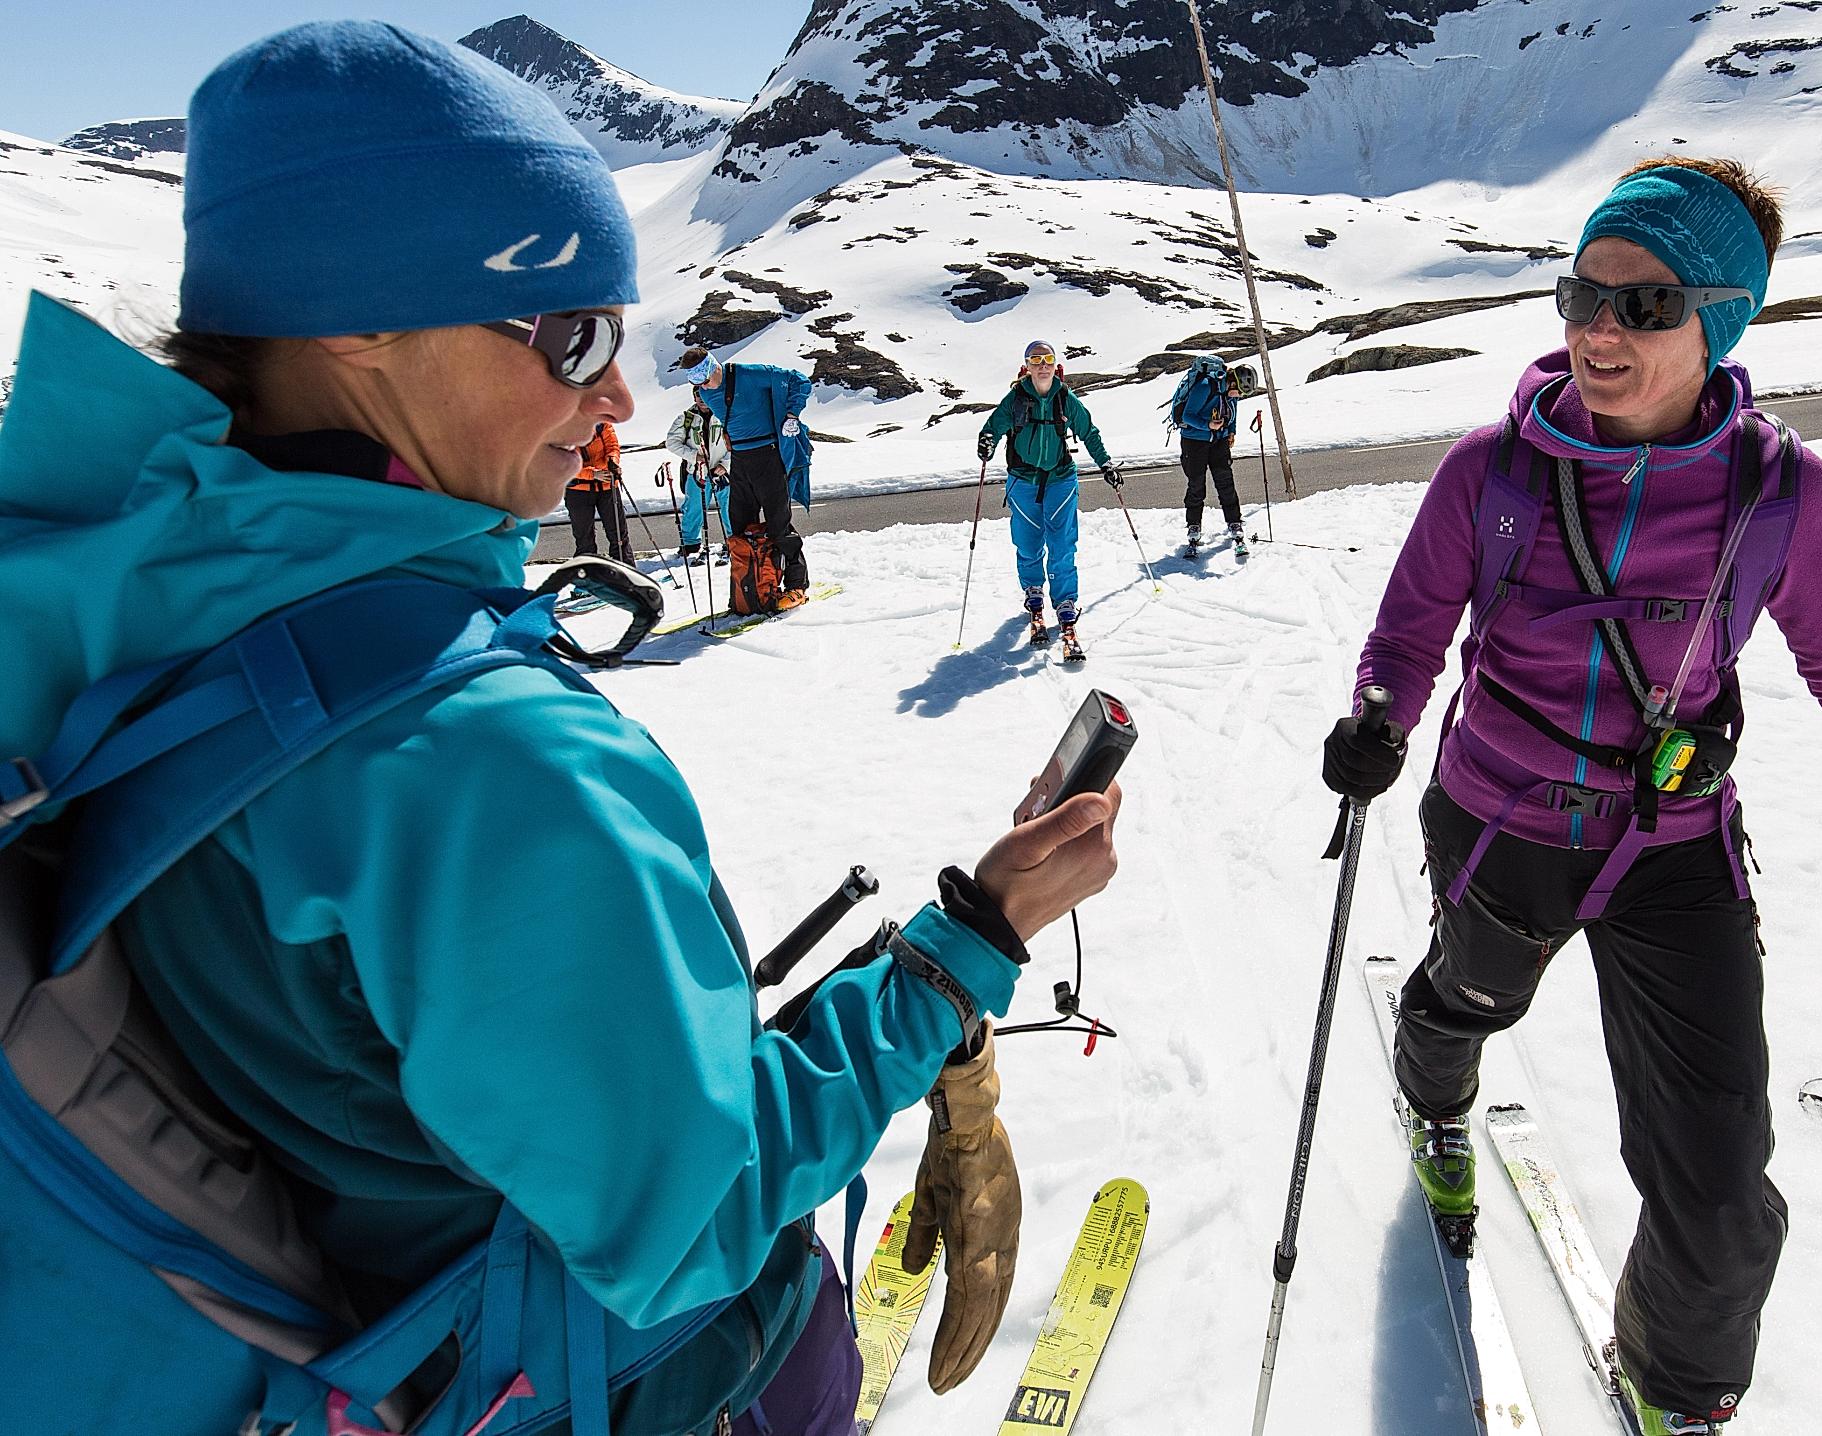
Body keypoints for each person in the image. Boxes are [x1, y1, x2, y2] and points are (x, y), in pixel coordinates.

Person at [0, 21, 1122, 1435]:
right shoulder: (483, 763)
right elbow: (692, 1223)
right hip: (643, 1382)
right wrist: (967, 950)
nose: (617, 399)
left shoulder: (138, 595)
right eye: (574, 334)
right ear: (360, 323)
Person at [1320, 156, 1822, 1436]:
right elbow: (1410, 628)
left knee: (1717, 1182)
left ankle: (1673, 1391)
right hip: (1500, 816)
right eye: (1579, 295)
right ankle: (1437, 1099)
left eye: (1643, 305)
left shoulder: (1779, 495)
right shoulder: (1486, 476)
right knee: (1467, 998)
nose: (1598, 330)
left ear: (1718, 319)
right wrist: (1379, 718)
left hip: (1675, 847)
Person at [975, 340, 1122, 663]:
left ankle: (1066, 604)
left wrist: (1105, 464)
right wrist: (985, 443)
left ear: (1055, 365)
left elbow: (1089, 432)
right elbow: (993, 428)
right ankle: (1034, 595)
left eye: (1047, 359)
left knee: (1062, 545)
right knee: (1028, 544)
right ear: (1027, 365)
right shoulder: (1015, 398)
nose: (1042, 365)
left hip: (1060, 479)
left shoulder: (1064, 398)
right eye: (1035, 359)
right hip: (1023, 480)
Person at [674, 345, 810, 609]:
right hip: (740, 460)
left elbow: (798, 380)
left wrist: (792, 415)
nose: (703, 386)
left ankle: (796, 586)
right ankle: (749, 589)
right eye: (696, 383)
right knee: (740, 528)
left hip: (768, 455)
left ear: (714, 366)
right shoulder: (705, 391)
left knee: (778, 524)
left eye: (704, 378)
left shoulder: (748, 374)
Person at [1177, 362, 1247, 558]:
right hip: (1194, 442)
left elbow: (1232, 414)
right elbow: (1187, 415)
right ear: (1232, 383)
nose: (1240, 396)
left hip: (1219, 440)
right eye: (1239, 392)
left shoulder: (1231, 393)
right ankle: (1193, 526)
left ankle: (1234, 521)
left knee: (1225, 482)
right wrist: (1208, 425)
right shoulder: (1205, 386)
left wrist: (1231, 432)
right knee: (1196, 485)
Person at [665, 390, 732, 565]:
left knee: (729, 508)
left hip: (722, 472)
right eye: (698, 396)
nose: (701, 400)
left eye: (704, 396)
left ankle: (733, 541)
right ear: (694, 397)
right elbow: (672, 442)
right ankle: (690, 545)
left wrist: (725, 465)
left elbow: (736, 441)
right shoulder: (687, 418)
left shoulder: (725, 414)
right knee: (693, 509)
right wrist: (694, 456)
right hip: (697, 472)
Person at [567, 418, 631, 561]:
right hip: (578, 489)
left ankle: (626, 575)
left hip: (607, 485)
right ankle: (589, 578)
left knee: (619, 536)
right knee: (584, 540)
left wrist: (612, 462)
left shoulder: (601, 422)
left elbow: (612, 446)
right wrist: (592, 474)